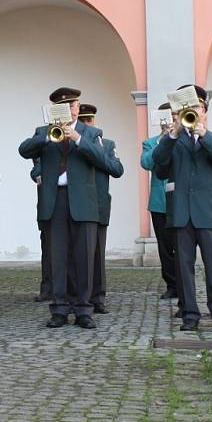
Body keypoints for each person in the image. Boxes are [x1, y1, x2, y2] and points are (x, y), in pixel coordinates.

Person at [19, 87, 106, 329]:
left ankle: (84, 310)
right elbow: (24, 150)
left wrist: (78, 140)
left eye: (73, 104)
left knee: (84, 257)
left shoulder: (91, 132)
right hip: (54, 201)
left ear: (78, 107)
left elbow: (104, 161)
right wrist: (48, 136)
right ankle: (59, 309)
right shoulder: (42, 132)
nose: (69, 109)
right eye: (63, 105)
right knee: (57, 257)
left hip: (83, 203)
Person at [152, 84, 212, 333]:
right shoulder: (172, 141)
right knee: (183, 267)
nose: (194, 111)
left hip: (207, 212)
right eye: (190, 107)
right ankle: (189, 315)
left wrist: (204, 136)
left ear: (205, 110)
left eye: (198, 107)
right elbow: (160, 168)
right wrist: (173, 134)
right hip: (180, 212)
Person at [78, 104, 123, 314]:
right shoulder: (72, 142)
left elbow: (117, 169)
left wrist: (95, 153)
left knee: (97, 253)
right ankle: (78, 298)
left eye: (90, 120)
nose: (87, 124)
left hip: (99, 203)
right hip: (78, 205)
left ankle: (97, 297)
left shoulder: (106, 144)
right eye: (83, 120)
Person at [141, 102, 178, 300]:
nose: (170, 120)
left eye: (173, 116)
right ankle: (171, 284)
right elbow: (146, 163)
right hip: (159, 202)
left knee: (181, 246)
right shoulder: (150, 143)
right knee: (165, 248)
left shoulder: (182, 139)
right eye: (167, 117)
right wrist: (163, 140)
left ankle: (183, 283)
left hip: (180, 200)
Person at [30, 159, 52, 302]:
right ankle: (47, 289)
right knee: (48, 253)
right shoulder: (42, 159)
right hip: (48, 213)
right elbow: (36, 174)